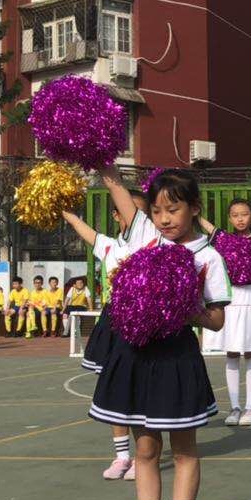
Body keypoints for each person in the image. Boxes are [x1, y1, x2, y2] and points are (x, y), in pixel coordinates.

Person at [88, 169, 229, 500]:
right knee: (145, 450)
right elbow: (115, 186)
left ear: (194, 208)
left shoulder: (208, 257)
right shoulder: (144, 238)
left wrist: (190, 309)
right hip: (136, 353)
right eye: (156, 210)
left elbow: (217, 320)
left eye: (174, 209)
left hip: (176, 356)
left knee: (184, 449)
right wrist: (100, 161)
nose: (164, 218)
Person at [63, 190, 150, 481]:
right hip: (113, 321)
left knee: (140, 389)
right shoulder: (110, 246)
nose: (135, 218)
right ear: (116, 214)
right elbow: (81, 228)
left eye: (141, 213)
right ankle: (121, 457)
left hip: (141, 320)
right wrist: (66, 212)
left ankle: (142, 457)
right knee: (113, 388)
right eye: (128, 212)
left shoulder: (151, 244)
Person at [200, 199, 251, 427]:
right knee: (231, 353)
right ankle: (234, 407)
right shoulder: (225, 240)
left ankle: (250, 407)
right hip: (230, 300)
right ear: (230, 218)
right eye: (235, 215)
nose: (240, 219)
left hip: (249, 297)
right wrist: (191, 206)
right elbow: (208, 227)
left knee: (250, 352)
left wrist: (248, 265)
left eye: (244, 214)